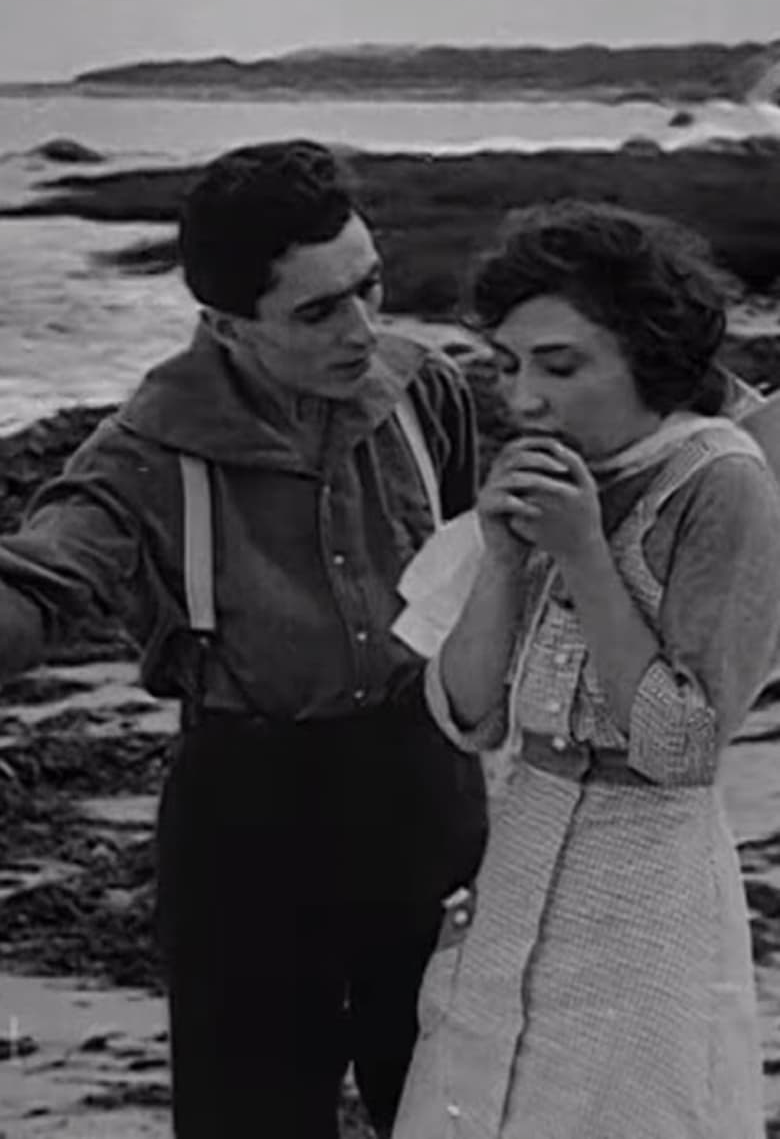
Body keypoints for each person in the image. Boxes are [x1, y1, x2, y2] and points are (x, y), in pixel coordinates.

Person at [0, 140, 486, 1137]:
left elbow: (470, 559)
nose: (364, 328)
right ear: (225, 324)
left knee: (460, 1109)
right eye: (319, 311)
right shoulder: (140, 452)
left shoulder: (424, 389)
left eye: (370, 285)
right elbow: (40, 581)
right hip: (248, 820)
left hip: (427, 789)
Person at [390, 200, 780, 1139]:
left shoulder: (724, 483)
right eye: (507, 365)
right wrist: (502, 557)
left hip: (646, 893)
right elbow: (467, 716)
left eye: (559, 367)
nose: (523, 398)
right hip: (521, 857)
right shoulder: (565, 471)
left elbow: (683, 748)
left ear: (648, 355)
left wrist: (585, 557)